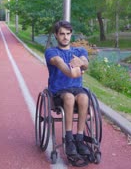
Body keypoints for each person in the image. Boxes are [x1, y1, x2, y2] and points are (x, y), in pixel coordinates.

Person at [45, 20, 90, 162]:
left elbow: (85, 62)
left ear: (71, 35)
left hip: (77, 89)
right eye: (62, 34)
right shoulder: (51, 52)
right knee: (69, 97)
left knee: (84, 98)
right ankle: (69, 138)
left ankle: (80, 137)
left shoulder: (79, 50)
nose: (65, 37)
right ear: (56, 36)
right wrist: (72, 71)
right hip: (59, 91)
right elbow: (59, 63)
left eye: (68, 34)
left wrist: (82, 63)